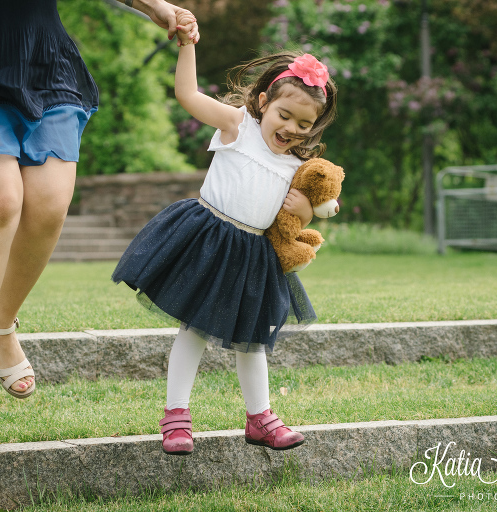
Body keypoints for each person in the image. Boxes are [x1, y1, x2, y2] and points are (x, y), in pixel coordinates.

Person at [0, 0, 199, 432]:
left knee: (49, 204)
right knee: (2, 199)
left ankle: (2, 324)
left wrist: (152, 4)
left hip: (40, 55)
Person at [112, 25, 338, 455]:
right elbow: (188, 96)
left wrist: (306, 211)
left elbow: (316, 207)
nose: (291, 128)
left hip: (254, 255)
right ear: (264, 103)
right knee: (194, 330)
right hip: (210, 240)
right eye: (284, 116)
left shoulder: (296, 165)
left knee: (252, 340)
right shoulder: (239, 126)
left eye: (304, 124)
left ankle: (261, 418)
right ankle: (176, 418)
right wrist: (186, 46)